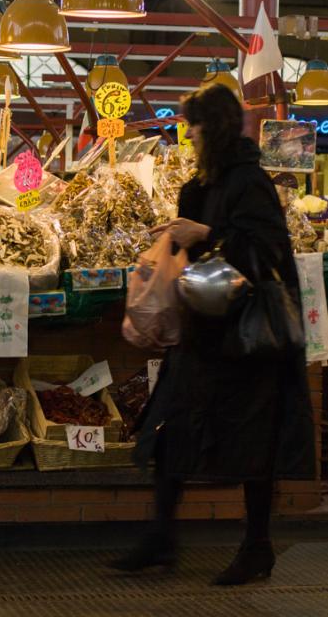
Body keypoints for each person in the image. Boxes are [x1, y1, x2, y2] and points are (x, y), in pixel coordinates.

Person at [110, 84, 315, 585]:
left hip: (247, 341)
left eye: (195, 126)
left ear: (215, 127)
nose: (190, 135)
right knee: (172, 427)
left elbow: (266, 253)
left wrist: (205, 235)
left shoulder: (250, 182)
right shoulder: (206, 182)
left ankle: (257, 546)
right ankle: (161, 534)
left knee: (254, 445)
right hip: (204, 334)